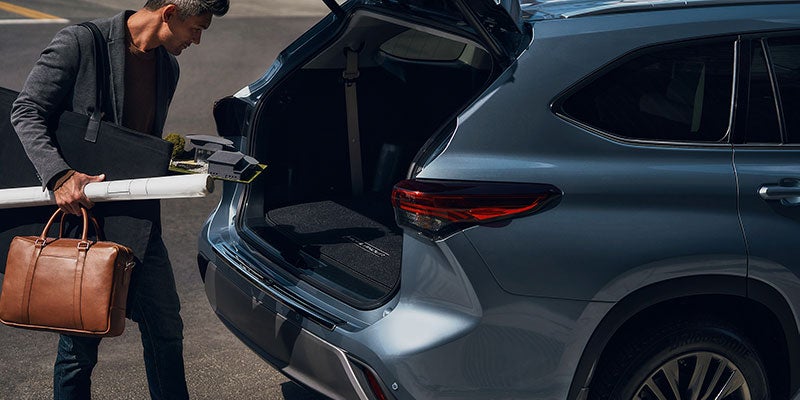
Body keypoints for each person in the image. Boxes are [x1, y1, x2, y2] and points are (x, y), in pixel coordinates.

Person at [10, 1, 229, 399]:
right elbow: (26, 111)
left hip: (139, 223)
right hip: (85, 221)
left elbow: (135, 141)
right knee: (80, 346)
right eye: (196, 28)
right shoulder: (81, 43)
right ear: (169, 13)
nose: (197, 40)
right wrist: (58, 175)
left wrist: (179, 162)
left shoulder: (167, 68)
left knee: (166, 329)